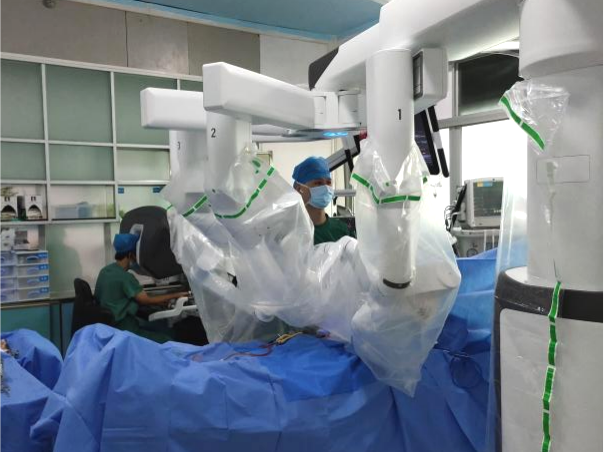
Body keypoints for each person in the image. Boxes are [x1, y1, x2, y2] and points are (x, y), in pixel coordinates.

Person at [94, 233, 189, 344]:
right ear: (130, 255)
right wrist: (176, 295)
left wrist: (160, 301)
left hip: (108, 326)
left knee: (161, 328)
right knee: (167, 339)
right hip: (125, 328)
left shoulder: (105, 271)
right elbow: (146, 300)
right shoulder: (125, 277)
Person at [292, 156, 355, 245]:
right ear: (299, 189)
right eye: (318, 183)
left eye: (328, 182)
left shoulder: (343, 231)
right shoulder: (291, 233)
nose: (326, 187)